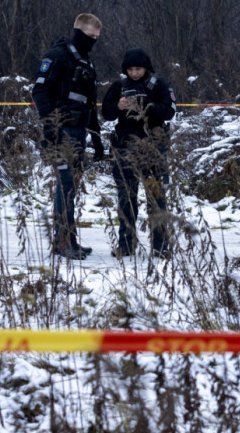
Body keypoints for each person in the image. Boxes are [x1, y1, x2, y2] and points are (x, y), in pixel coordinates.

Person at [32, 13, 104, 260]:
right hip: (61, 130)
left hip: (79, 130)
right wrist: (49, 125)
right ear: (78, 32)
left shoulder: (87, 62)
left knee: (72, 186)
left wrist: (96, 137)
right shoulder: (58, 55)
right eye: (90, 36)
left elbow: (90, 103)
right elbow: (40, 90)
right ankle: (61, 242)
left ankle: (69, 238)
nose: (93, 41)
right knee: (65, 186)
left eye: (96, 38)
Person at [101, 48, 177, 259]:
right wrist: (118, 106)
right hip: (125, 147)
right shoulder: (119, 86)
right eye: (131, 69)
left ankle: (160, 245)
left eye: (138, 69)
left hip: (153, 146)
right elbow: (105, 113)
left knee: (156, 197)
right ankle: (126, 244)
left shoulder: (159, 85)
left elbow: (170, 111)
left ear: (146, 68)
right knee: (126, 197)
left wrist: (146, 106)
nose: (135, 73)